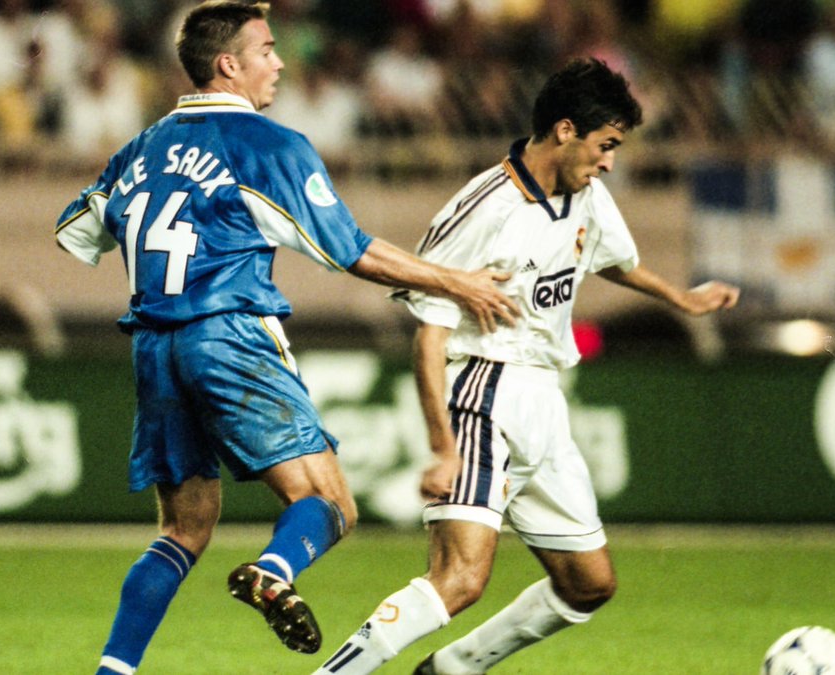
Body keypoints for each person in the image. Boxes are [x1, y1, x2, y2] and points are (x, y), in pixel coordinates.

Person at [51, 2, 519, 673]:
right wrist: (458, 281)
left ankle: (112, 671)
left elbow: (75, 231)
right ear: (228, 64)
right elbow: (352, 250)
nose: (279, 63)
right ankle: (273, 570)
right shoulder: (269, 145)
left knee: (183, 528)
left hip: (154, 345)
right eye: (267, 50)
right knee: (328, 502)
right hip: (229, 334)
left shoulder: (141, 147)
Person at [312, 58, 740, 675]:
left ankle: (453, 667)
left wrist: (681, 297)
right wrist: (442, 448)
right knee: (459, 578)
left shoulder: (586, 194)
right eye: (606, 145)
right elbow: (430, 339)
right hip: (483, 390)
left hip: (544, 398)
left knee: (588, 584)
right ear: (565, 130)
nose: (609, 162)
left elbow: (614, 259)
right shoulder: (485, 210)